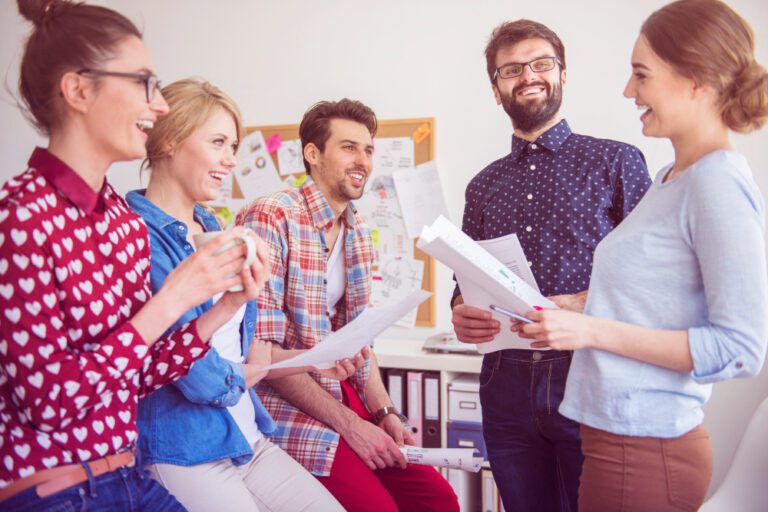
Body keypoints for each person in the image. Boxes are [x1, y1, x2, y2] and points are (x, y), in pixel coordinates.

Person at [0, 1, 269, 511]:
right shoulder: (20, 218)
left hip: (128, 475)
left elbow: (137, 374)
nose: (160, 105)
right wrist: (172, 300)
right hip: (54, 491)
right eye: (143, 82)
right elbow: (48, 403)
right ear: (79, 90)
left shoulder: (121, 223)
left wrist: (224, 305)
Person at [511, 1, 768, 510]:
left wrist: (590, 331)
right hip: (612, 439)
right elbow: (657, 297)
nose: (629, 91)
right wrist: (579, 305)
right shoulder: (671, 179)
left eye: (641, 75)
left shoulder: (716, 185)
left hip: (646, 448)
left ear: (697, 79)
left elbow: (740, 348)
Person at [126, 78, 370, 512]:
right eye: (219, 142)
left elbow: (245, 348)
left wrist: (317, 360)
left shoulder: (215, 230)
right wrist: (244, 374)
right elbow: (195, 372)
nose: (231, 160)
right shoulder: (137, 239)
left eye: (234, 145)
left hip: (246, 437)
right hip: (186, 449)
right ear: (168, 140)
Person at [450, 19, 651, 512]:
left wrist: (585, 303)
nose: (528, 76)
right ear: (496, 90)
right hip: (505, 381)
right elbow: (465, 282)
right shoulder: (482, 186)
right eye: (511, 69)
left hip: (591, 370)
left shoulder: (617, 162)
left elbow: (655, 279)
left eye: (541, 63)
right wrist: (461, 313)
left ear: (563, 75)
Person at [236, 99, 459, 512]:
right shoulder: (272, 215)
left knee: (438, 499)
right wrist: (352, 425)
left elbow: (360, 342)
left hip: (338, 392)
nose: (363, 160)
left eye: (369, 150)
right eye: (349, 147)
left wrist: (385, 411)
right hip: (279, 401)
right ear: (313, 153)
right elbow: (261, 356)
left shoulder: (357, 229)